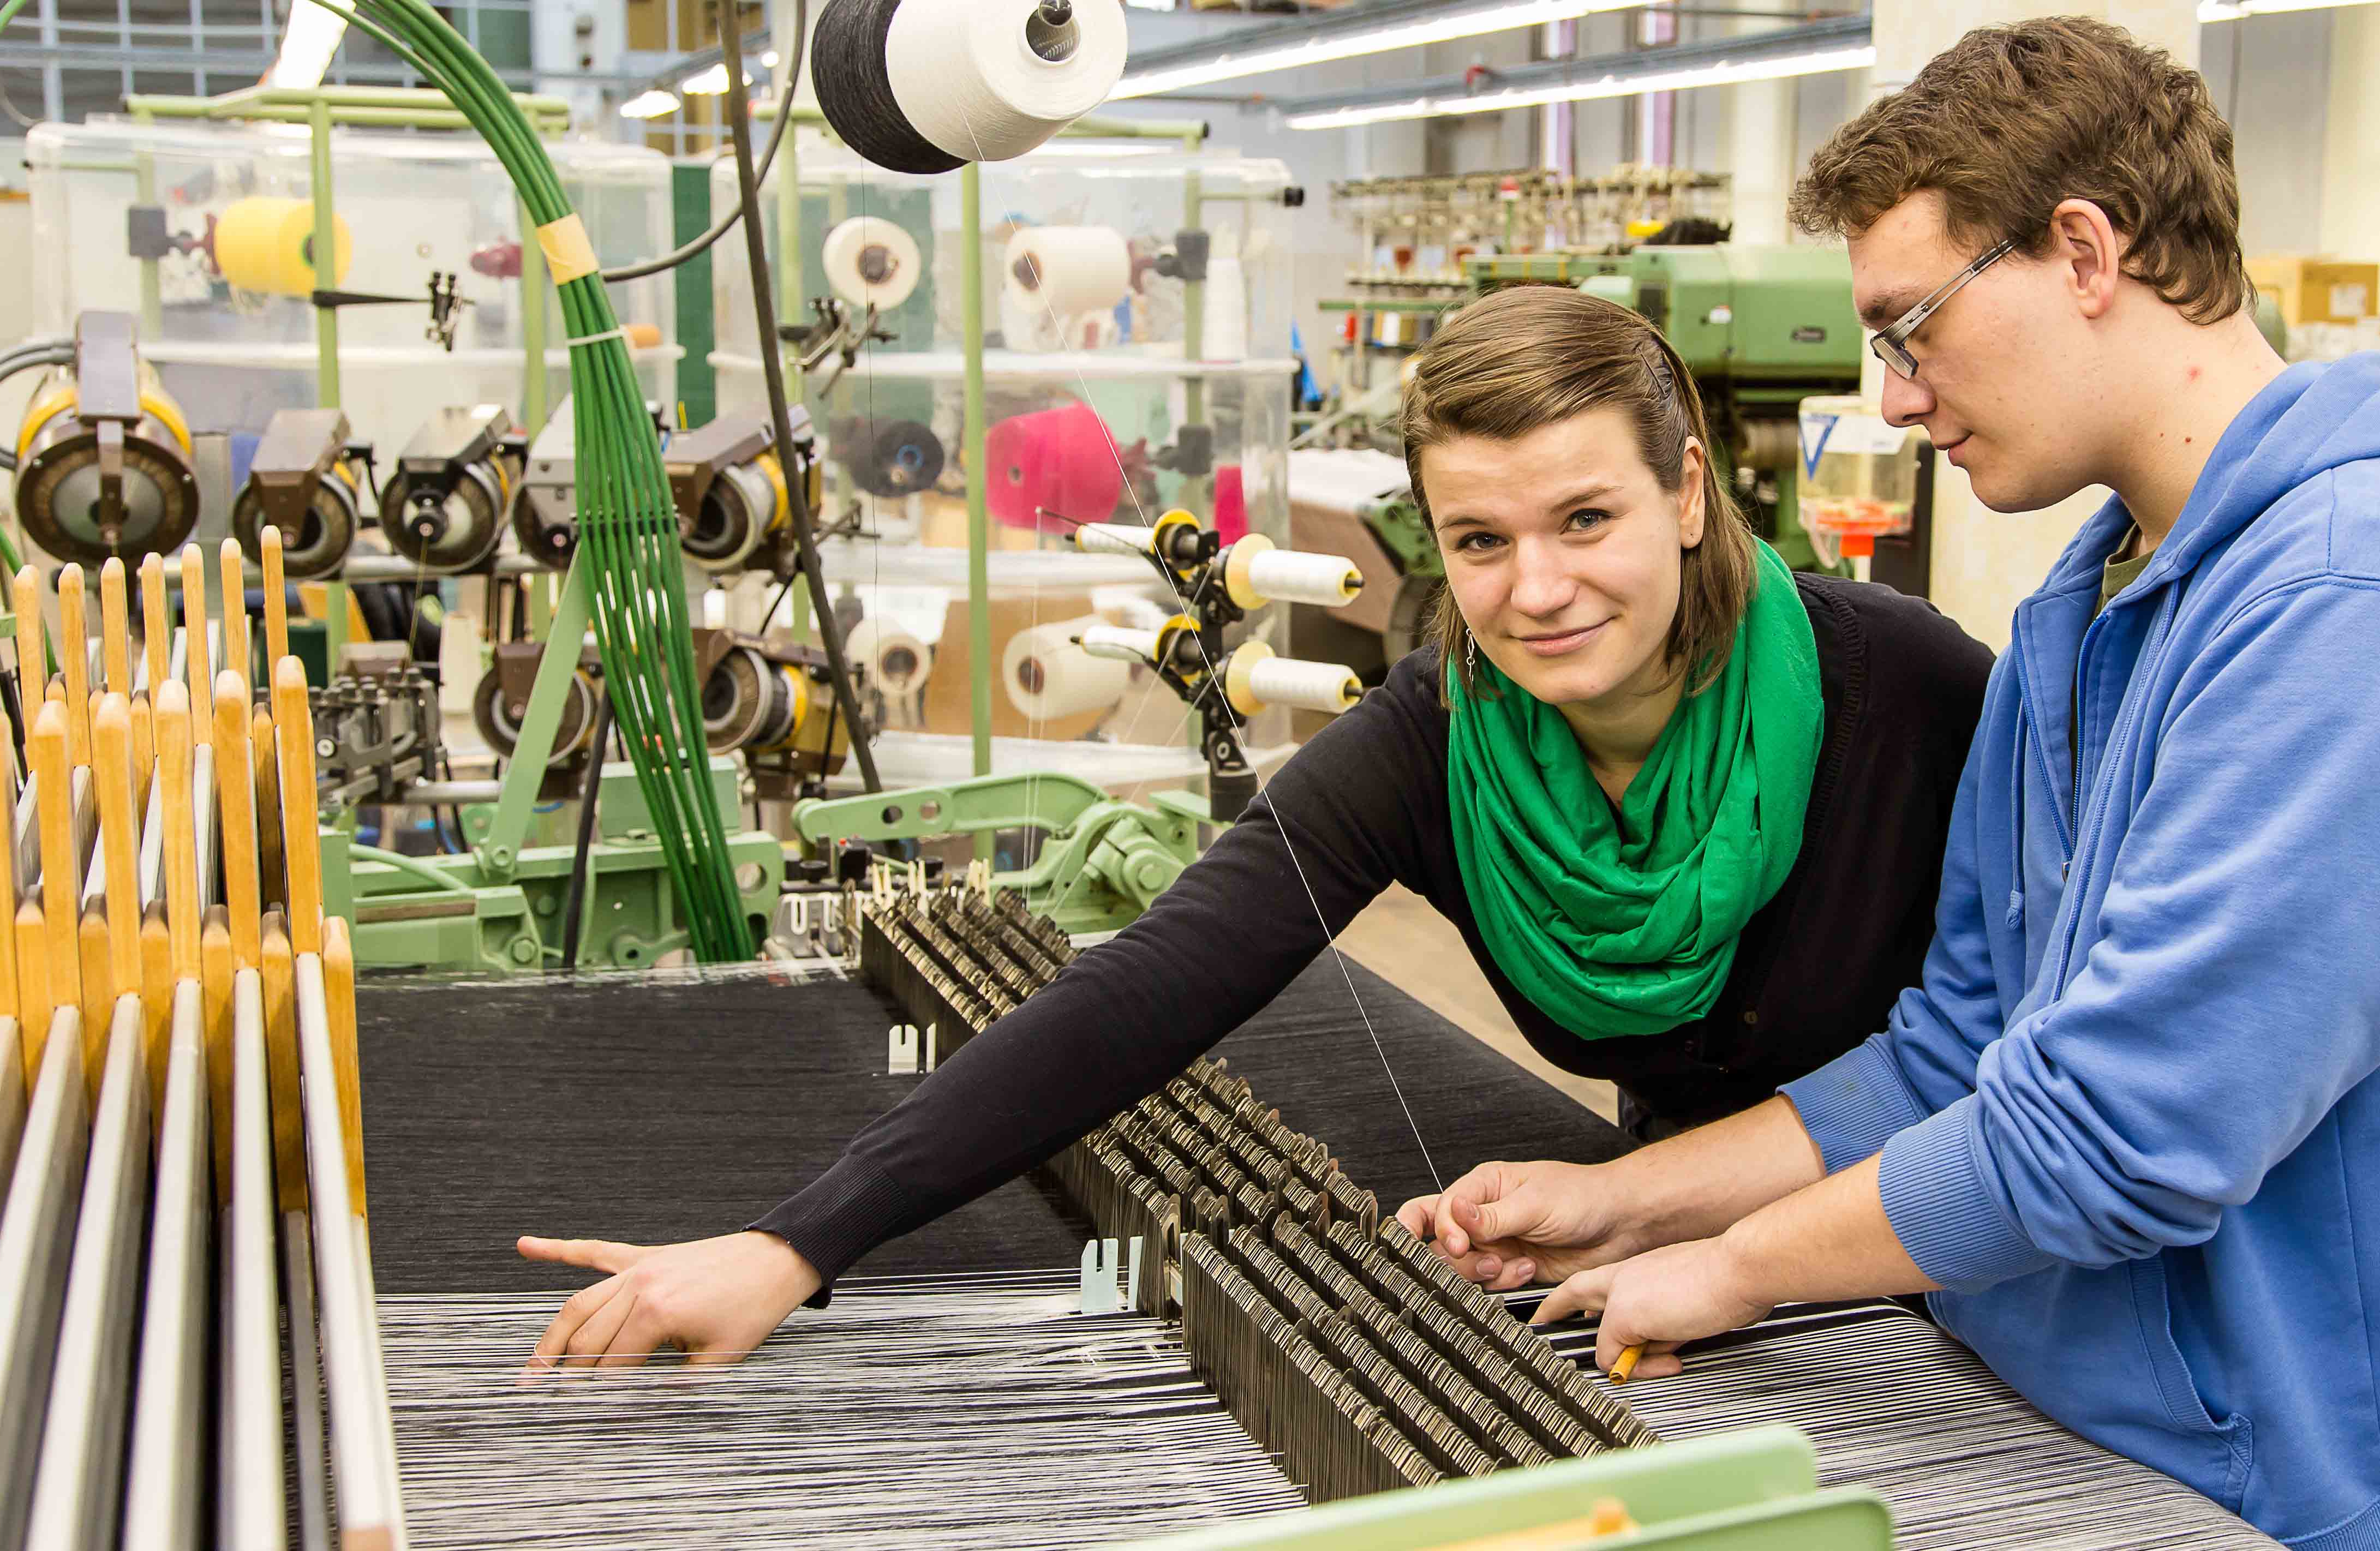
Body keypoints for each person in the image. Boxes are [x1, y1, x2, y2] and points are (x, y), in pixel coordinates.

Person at [1405, 20, 2380, 1550]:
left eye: (1911, 329)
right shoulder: (2080, 617)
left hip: (2275, 1497)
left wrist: (1738, 1263)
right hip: (2035, 1421)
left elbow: (2121, 1133)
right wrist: (1630, 1203)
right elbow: (1955, 1048)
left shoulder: (2367, 598)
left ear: (2084, 251)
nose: (1892, 398)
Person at [515, 284, 1996, 1370]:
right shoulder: (1441, 745)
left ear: (1687, 493)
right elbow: (1150, 988)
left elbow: (2019, 1062)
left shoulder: (1912, 692)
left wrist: (1655, 1218)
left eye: (1585, 521)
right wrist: (797, 1241)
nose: (1535, 590)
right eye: (1480, 540)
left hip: (1952, 1280)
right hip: (1670, 1276)